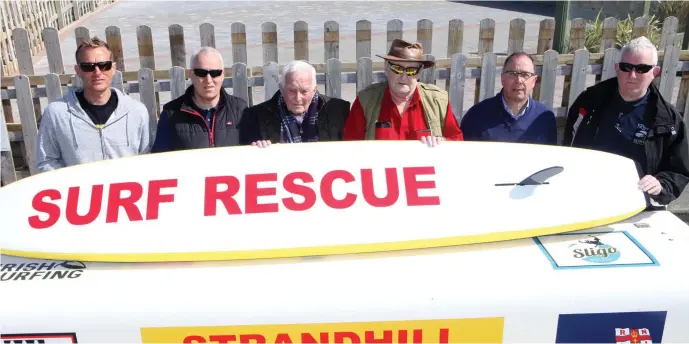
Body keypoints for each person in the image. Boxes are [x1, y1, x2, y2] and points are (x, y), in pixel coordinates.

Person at [563, 36, 689, 207]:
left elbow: (678, 169)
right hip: (587, 196)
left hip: (638, 203)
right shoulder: (589, 101)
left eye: (642, 69)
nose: (632, 75)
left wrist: (661, 184)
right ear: (617, 68)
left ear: (655, 72)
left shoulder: (668, 119)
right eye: (626, 67)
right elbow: (569, 147)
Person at [35, 37, 153, 172]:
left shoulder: (136, 111)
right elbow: (46, 161)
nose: (97, 72)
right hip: (80, 192)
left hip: (126, 192)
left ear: (113, 68)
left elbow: (145, 160)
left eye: (104, 65)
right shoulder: (57, 113)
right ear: (78, 70)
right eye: (88, 67)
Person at [342, 39, 463, 147]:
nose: (403, 76)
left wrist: (442, 143)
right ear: (386, 67)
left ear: (420, 72)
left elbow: (457, 143)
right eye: (398, 68)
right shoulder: (365, 101)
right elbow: (350, 147)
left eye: (411, 70)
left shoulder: (438, 101)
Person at [151, 47, 247, 152]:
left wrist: (262, 145)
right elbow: (160, 160)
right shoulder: (171, 114)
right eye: (201, 73)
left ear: (222, 75)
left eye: (215, 73)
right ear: (191, 74)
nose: (208, 80)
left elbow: (253, 154)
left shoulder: (240, 110)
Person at [240, 60, 351, 147]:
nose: (298, 98)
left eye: (304, 91)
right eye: (292, 91)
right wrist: (255, 150)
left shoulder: (339, 111)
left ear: (314, 89)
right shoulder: (254, 116)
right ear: (282, 89)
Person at [460, 52, 556, 144]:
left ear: (534, 81)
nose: (519, 80)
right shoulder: (477, 115)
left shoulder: (544, 118)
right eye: (512, 74)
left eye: (525, 75)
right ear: (502, 79)